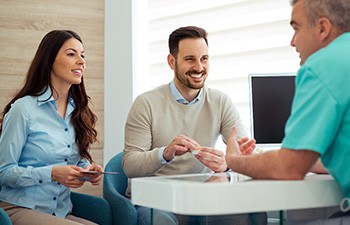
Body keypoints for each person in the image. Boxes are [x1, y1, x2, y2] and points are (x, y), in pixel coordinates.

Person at [123, 26, 266, 225]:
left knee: (252, 214)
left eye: (204, 58)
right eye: (190, 59)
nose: (199, 67)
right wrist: (166, 153)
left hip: (203, 198)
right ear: (171, 62)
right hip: (157, 200)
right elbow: (130, 165)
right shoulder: (146, 104)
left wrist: (228, 163)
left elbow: (244, 149)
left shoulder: (220, 101)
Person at [225, 0, 350, 224]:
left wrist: (233, 160)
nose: (292, 42)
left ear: (322, 28)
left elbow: (289, 169)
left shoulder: (323, 65)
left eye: (296, 28)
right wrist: (264, 158)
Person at [0, 30, 103, 225]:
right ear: (50, 60)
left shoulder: (78, 111)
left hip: (59, 211)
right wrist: (52, 173)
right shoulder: (24, 109)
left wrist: (86, 170)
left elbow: (72, 159)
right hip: (18, 208)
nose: (81, 61)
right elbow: (3, 171)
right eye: (71, 54)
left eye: (83, 55)